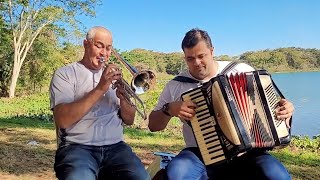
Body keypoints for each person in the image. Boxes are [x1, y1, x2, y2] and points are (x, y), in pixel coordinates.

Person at [148, 28, 294, 180]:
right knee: (178, 172)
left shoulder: (241, 70)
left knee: (277, 175)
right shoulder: (176, 85)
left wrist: (286, 111)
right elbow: (153, 125)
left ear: (212, 51)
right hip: (200, 154)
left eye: (201, 56)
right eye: (190, 58)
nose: (196, 63)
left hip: (248, 152)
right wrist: (169, 109)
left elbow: (272, 108)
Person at [49, 26, 150, 180]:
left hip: (116, 147)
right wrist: (101, 87)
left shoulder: (115, 77)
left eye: (108, 48)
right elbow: (63, 120)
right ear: (86, 44)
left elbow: (129, 120)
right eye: (99, 46)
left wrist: (124, 99)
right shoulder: (66, 74)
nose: (104, 53)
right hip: (77, 147)